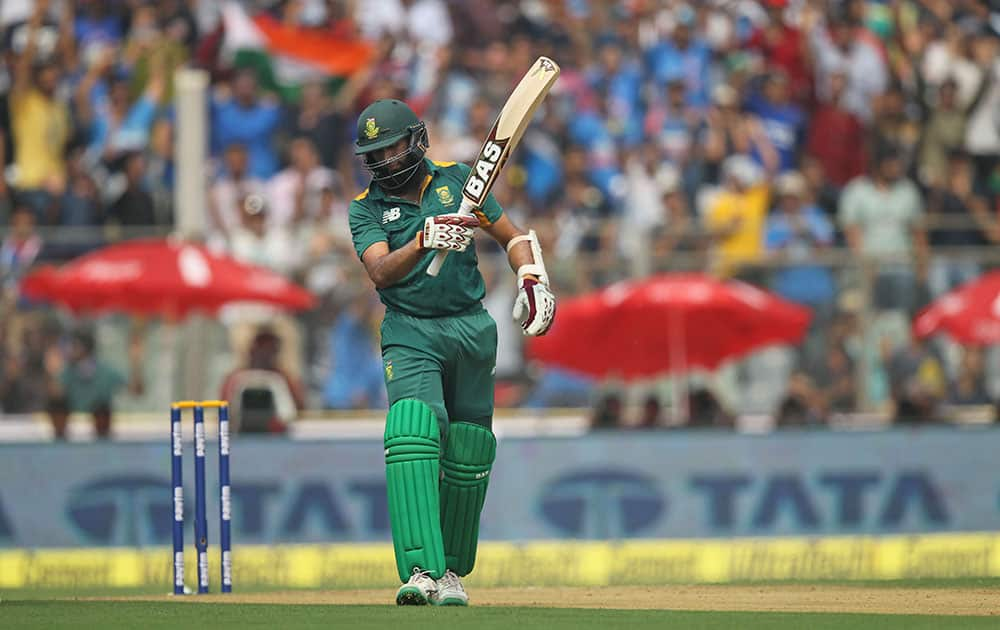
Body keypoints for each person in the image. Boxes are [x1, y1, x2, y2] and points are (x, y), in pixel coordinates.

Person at [348, 99, 556, 606]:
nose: (387, 161)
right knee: (414, 430)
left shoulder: (460, 180)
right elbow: (379, 270)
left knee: (468, 447)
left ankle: (452, 574)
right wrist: (423, 238)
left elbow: (512, 236)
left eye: (394, 147)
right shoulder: (365, 208)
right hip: (410, 330)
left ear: (416, 140)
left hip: (471, 326)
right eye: (376, 153)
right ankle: (421, 569)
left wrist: (532, 276)